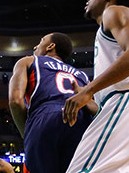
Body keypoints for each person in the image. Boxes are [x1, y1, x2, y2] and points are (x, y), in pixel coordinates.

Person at [63, 0, 129, 173]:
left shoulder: (114, 11)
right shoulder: (109, 29)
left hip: (128, 103)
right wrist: (89, 99)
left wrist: (88, 90)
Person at [9, 33, 97, 173]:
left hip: (45, 115)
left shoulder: (29, 61)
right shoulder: (83, 76)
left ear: (51, 46)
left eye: (41, 41)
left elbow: (15, 101)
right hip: (80, 119)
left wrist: (26, 132)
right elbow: (96, 109)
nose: (35, 46)